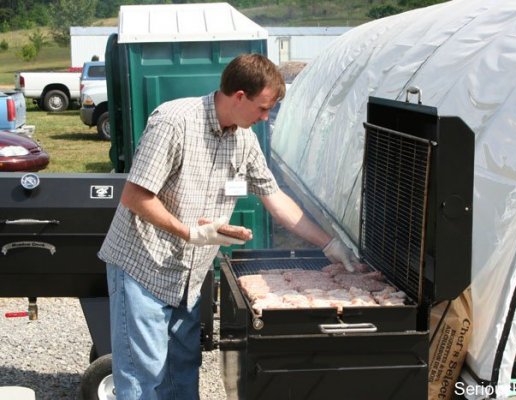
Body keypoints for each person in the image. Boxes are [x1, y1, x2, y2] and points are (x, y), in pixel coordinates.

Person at [98, 53, 356, 399]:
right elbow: (135, 196)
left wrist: (329, 244)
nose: (266, 118)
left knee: (182, 372)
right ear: (239, 97)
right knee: (142, 378)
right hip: (143, 268)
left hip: (188, 275)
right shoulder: (174, 122)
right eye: (263, 108)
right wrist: (191, 233)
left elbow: (274, 197)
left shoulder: (244, 140)